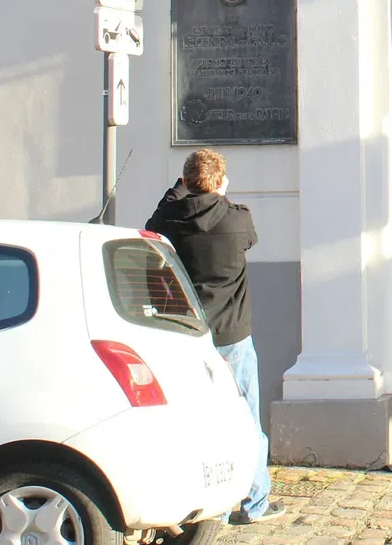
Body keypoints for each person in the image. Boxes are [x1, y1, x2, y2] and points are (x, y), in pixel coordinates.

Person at [146, 149, 285, 525]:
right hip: (233, 336)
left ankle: (216, 508)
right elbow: (249, 235)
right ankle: (255, 502)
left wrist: (178, 190)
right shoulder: (237, 220)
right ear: (221, 183)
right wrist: (218, 194)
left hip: (190, 337)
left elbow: (154, 221)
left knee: (201, 422)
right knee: (246, 420)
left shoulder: (170, 220)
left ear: (187, 181)